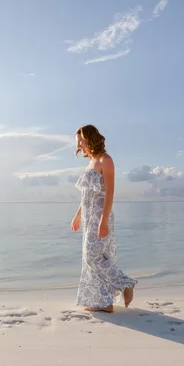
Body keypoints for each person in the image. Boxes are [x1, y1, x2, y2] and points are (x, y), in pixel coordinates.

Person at [71, 125, 137, 312]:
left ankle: (126, 283)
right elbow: (87, 195)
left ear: (90, 139)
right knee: (90, 258)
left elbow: (109, 193)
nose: (79, 146)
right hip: (89, 218)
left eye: (81, 142)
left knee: (93, 256)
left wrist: (104, 220)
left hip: (100, 216)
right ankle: (104, 303)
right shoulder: (91, 162)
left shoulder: (105, 160)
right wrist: (78, 216)